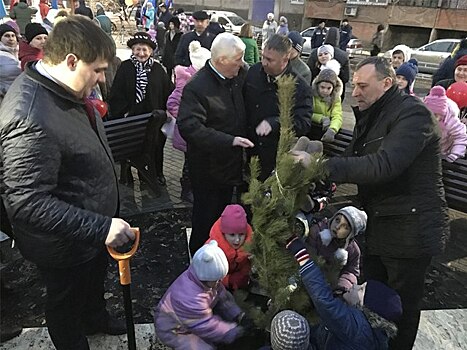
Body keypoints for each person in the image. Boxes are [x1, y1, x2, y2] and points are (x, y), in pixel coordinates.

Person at [0, 15, 135, 350]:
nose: (103, 79)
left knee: (90, 288)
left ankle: (96, 320)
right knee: (65, 304)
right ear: (71, 60)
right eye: (99, 70)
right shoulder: (30, 115)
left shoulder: (63, 90)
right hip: (64, 245)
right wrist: (100, 227)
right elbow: (27, 201)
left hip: (89, 229)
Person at [309, 56, 450, 350]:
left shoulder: (413, 115)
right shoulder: (371, 114)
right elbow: (352, 159)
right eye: (354, 85)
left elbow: (384, 165)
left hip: (411, 230)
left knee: (401, 306)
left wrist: (324, 167)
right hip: (379, 224)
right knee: (374, 297)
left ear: (387, 83)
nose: (354, 92)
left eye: (362, 85)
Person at [177, 33, 252, 257]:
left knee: (227, 217)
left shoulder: (238, 75)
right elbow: (190, 127)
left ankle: (227, 260)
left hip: (233, 165)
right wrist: (229, 140)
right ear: (221, 60)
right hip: (208, 170)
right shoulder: (197, 87)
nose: (243, 63)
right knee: (206, 218)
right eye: (238, 59)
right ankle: (200, 265)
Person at [275, 235, 403, 349]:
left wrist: (300, 254)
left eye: (361, 289)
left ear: (368, 308)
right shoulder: (374, 334)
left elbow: (324, 301)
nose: (355, 286)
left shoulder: (357, 328)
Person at [244, 34, 312, 181]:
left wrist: (275, 123)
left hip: (273, 157)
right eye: (263, 57)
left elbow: (303, 123)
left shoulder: (299, 87)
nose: (264, 63)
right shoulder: (254, 73)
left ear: (285, 60)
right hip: (247, 150)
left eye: (270, 60)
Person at [108, 32, 173, 186]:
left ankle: (155, 174)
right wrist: (123, 112)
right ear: (132, 50)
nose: (141, 53)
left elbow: (167, 91)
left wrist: (167, 111)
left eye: (144, 49)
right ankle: (126, 175)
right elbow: (116, 92)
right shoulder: (125, 67)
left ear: (150, 51)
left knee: (155, 146)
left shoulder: (158, 69)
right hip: (130, 117)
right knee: (129, 147)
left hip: (153, 117)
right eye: (137, 49)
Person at [154, 240, 246, 348]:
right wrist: (231, 331)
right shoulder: (190, 297)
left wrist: (237, 315)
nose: (219, 282)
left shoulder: (208, 281)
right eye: (216, 279)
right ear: (204, 277)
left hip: (195, 319)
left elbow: (223, 298)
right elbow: (205, 325)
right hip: (175, 329)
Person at [167, 41, 212, 203]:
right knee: (189, 163)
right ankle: (186, 190)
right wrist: (188, 118)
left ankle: (193, 188)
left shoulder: (199, 80)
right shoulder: (186, 82)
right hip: (188, 132)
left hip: (197, 131)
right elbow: (172, 103)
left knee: (195, 162)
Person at [305, 206, 367, 293]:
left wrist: (343, 285)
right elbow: (308, 255)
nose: (337, 227)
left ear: (351, 234)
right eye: (337, 220)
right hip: (310, 276)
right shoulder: (316, 232)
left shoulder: (353, 250)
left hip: (332, 284)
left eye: (345, 227)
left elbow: (351, 272)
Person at [206, 204, 253, 291]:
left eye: (241, 234)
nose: (237, 240)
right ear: (223, 233)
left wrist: (244, 274)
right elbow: (207, 276)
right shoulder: (211, 251)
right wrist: (229, 280)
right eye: (232, 235)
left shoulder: (249, 245)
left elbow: (246, 264)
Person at [423, 86, 467, 162]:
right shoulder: (422, 119)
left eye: (436, 115)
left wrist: (455, 154)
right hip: (426, 151)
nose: (433, 118)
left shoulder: (450, 121)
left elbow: (461, 137)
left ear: (442, 113)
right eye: (430, 114)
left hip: (445, 152)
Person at [307, 27, 350, 101]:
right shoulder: (344, 55)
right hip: (335, 95)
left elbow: (309, 73)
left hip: (315, 93)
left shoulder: (315, 52)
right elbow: (346, 78)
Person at [311, 68, 343, 143]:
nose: (325, 91)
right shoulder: (311, 95)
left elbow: (337, 115)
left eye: (329, 88)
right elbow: (307, 113)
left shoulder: (335, 98)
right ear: (317, 86)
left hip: (326, 129)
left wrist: (333, 129)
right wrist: (321, 118)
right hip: (312, 128)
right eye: (322, 87)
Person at [0, 24, 21, 105]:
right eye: (7, 36)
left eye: (13, 35)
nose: (11, 38)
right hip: (4, 98)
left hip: (21, 95)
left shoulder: (22, 52)